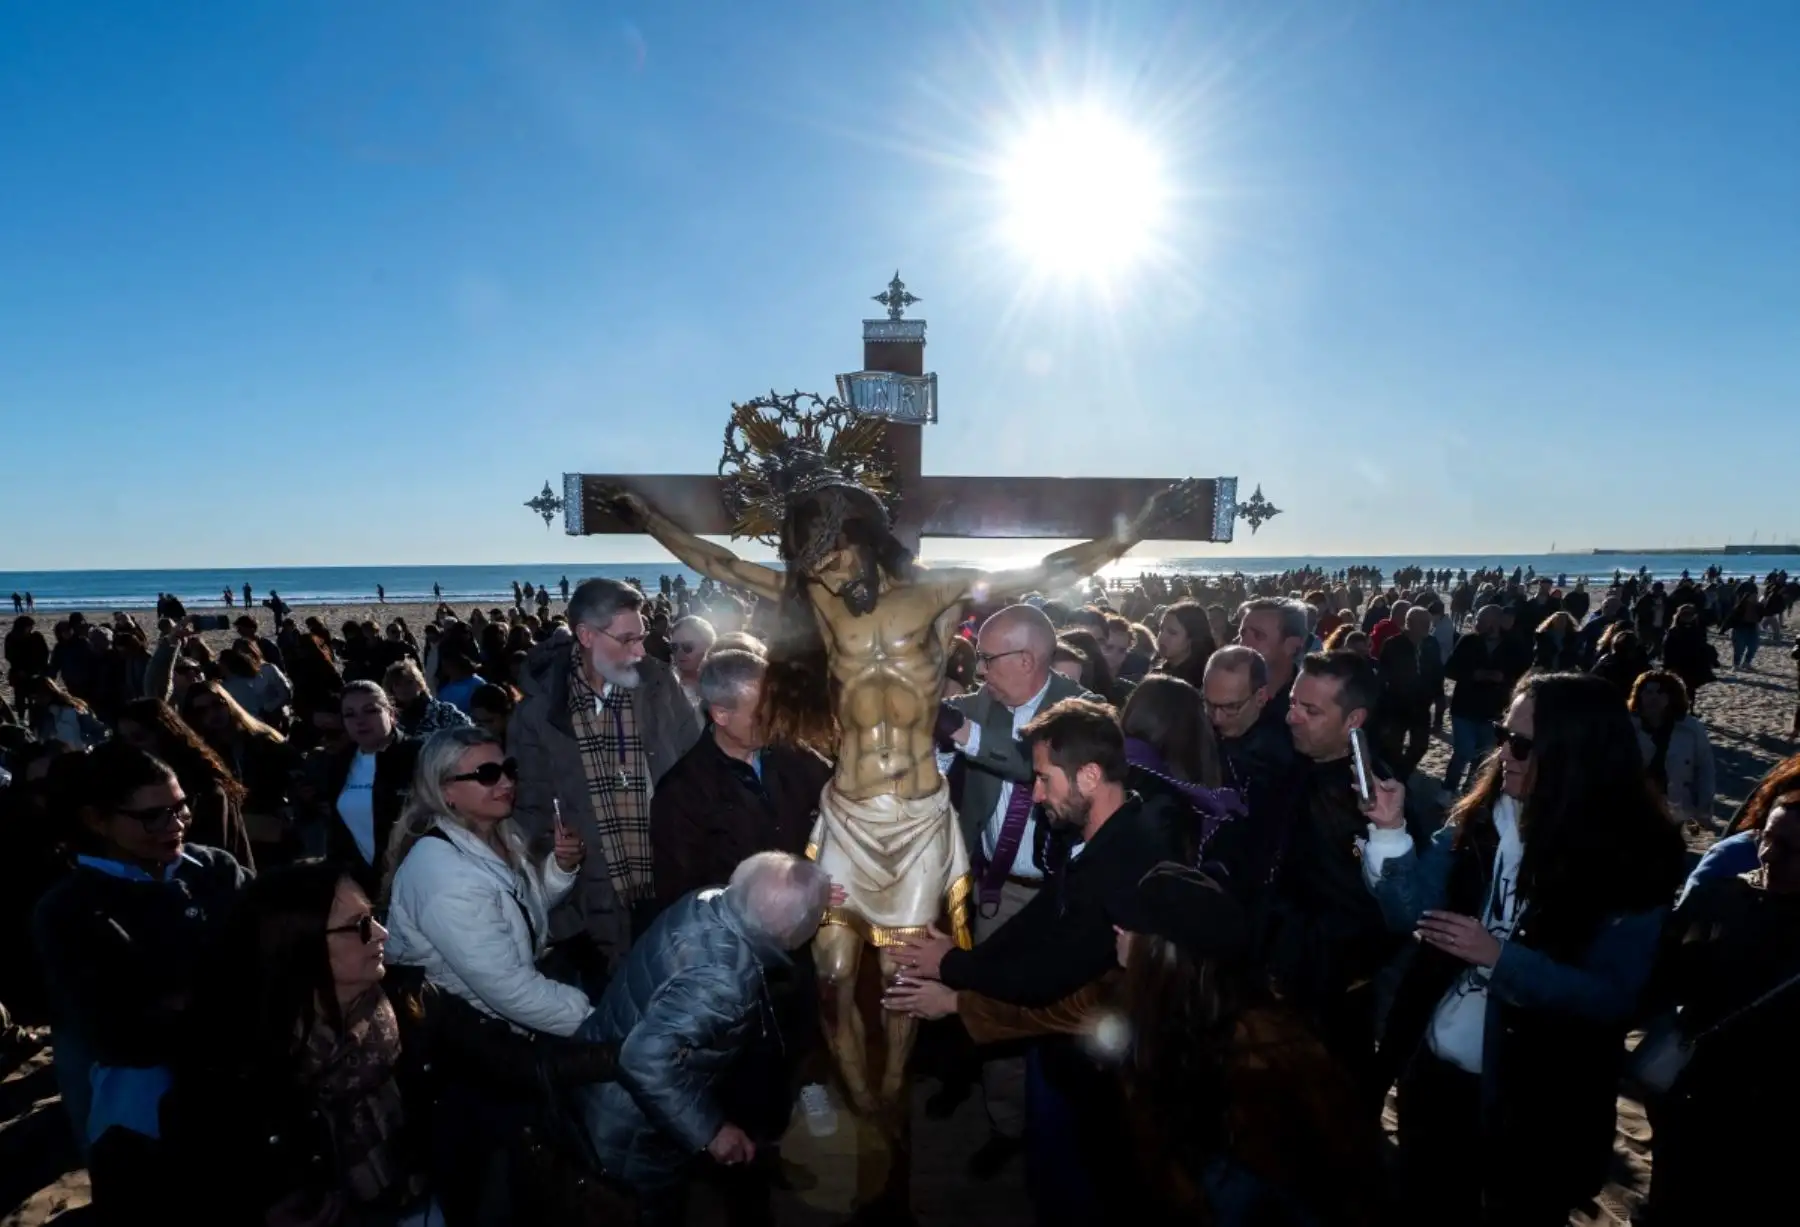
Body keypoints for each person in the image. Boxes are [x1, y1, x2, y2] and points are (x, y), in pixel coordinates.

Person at [887, 863, 1386, 1226]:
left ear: (1168, 952)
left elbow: (1317, 1176)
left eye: (1133, 924)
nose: (1118, 927)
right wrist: (955, 1003)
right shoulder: (1132, 988)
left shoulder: (1266, 1049)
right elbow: (1055, 1009)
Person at [1360, 672, 1686, 1226]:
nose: (1503, 752)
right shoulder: (1483, 815)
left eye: (1522, 743)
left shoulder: (1637, 856)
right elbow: (1408, 913)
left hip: (1536, 1098)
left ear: (1574, 752)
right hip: (1435, 1069)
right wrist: (1390, 832)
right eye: (1502, 733)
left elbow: (1612, 998)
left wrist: (1499, 957)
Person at [31, 743, 249, 1216]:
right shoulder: (69, 911)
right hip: (150, 1117)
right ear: (96, 820)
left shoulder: (216, 870)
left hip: (248, 1097)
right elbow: (120, 1034)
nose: (174, 825)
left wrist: (184, 1000)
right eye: (152, 816)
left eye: (179, 807)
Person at [578, 851, 833, 1224]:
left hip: (598, 1077)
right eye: (818, 917)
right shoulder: (725, 979)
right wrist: (711, 1132)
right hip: (628, 1124)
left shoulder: (712, 899)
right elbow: (642, 1059)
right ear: (791, 933)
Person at [509, 578, 703, 982]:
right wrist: (556, 854)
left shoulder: (657, 685)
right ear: (586, 635)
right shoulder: (538, 715)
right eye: (627, 638)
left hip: (668, 880)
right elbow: (528, 810)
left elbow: (695, 765)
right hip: (588, 900)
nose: (639, 650)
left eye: (643, 636)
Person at [1643, 776, 1800, 1224]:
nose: (1770, 855)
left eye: (1791, 849)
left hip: (1766, 1119)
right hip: (1694, 1095)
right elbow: (1664, 975)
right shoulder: (1725, 895)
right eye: (1767, 838)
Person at [385, 726, 593, 1037]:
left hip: (501, 1023)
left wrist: (559, 868)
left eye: (509, 769)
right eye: (488, 774)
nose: (507, 782)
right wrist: (600, 1023)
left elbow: (515, 911)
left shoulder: (495, 834)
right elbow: (511, 991)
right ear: (445, 791)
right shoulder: (443, 874)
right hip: (469, 1042)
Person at [650, 649, 832, 908]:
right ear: (721, 715)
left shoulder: (792, 754)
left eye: (773, 708)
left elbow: (839, 795)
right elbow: (683, 897)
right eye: (759, 716)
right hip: (741, 940)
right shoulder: (681, 792)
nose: (772, 721)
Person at [114, 698, 255, 870]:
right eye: (123, 740)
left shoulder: (203, 787)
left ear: (163, 737)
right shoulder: (128, 786)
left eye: (139, 738)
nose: (131, 747)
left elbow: (209, 856)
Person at [321, 681, 422, 891]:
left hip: (418, 878)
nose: (360, 721)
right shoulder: (339, 763)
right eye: (350, 714)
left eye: (370, 710)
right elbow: (338, 833)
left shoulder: (419, 756)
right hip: (365, 884)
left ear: (391, 714)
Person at [1630, 669, 1716, 826]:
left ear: (1672, 697)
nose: (1653, 698)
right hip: (1632, 805)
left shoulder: (1690, 728)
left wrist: (1703, 808)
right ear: (1639, 695)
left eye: (1661, 693)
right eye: (1648, 692)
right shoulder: (1627, 726)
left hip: (1674, 806)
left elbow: (1704, 768)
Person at [383, 658, 472, 738]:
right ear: (391, 689)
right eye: (398, 684)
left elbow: (471, 732)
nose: (404, 688)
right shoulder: (387, 719)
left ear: (419, 684)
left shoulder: (443, 712)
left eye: (409, 682)